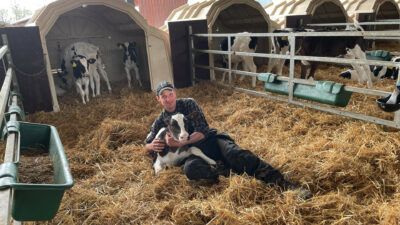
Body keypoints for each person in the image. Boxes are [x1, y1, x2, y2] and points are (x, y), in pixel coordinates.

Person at [145, 81, 310, 197]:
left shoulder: (189, 104)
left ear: (175, 93)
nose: (168, 99)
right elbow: (147, 143)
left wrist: (181, 142)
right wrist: (152, 145)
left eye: (170, 94)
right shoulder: (161, 119)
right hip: (192, 154)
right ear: (158, 99)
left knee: (236, 154)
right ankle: (230, 172)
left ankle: (283, 184)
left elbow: (203, 131)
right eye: (163, 96)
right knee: (192, 170)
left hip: (211, 141)